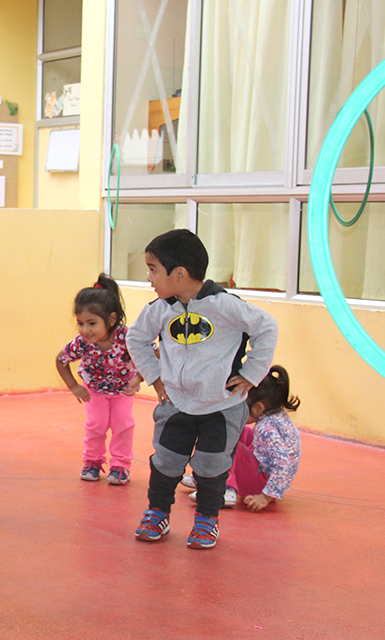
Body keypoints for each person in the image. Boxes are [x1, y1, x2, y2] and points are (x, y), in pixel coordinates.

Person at [126, 229, 278, 550]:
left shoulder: (225, 306)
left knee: (212, 466)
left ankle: (207, 519)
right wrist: (155, 376)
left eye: (153, 270)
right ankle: (157, 512)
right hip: (177, 405)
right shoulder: (159, 309)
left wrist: (252, 373)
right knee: (166, 461)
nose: (149, 278)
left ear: (179, 274)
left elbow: (266, 327)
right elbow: (136, 338)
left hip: (220, 407)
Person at [55, 274, 143, 485]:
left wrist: (138, 378)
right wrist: (74, 386)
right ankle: (92, 462)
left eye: (92, 323)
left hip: (122, 391)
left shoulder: (127, 338)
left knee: (122, 424)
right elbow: (61, 360)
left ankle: (121, 466)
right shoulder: (82, 343)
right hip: (94, 389)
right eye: (80, 323)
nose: (85, 330)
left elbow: (152, 355)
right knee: (96, 424)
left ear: (111, 320)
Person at [182, 365, 301, 511]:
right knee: (241, 431)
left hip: (262, 486)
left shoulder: (266, 429)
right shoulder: (275, 417)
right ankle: (209, 477)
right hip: (265, 476)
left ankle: (226, 489)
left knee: (229, 444)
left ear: (258, 408)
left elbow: (284, 465)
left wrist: (265, 496)